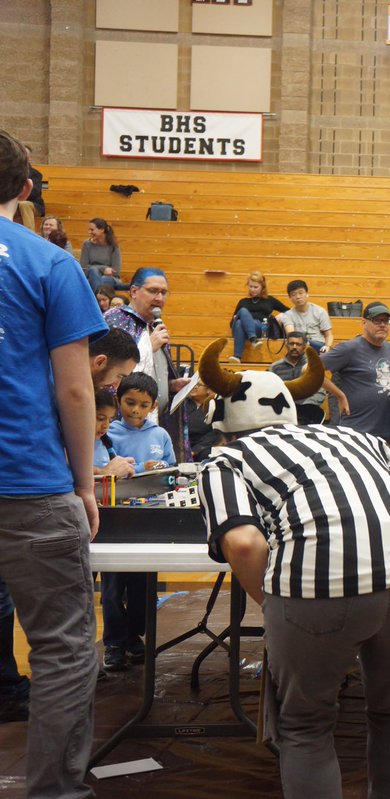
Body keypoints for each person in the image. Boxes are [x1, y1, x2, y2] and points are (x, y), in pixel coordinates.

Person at [195, 340, 390, 799]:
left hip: (320, 592)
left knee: (305, 724)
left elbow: (242, 541)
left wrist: (279, 603)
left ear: (222, 418)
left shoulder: (227, 459)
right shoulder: (353, 436)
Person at [0, 128, 106, 799]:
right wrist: (84, 481)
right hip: (29, 485)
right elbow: (75, 386)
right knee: (65, 648)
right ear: (26, 188)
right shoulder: (46, 262)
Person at [101, 372, 176, 672]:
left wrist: (160, 468)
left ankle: (135, 637)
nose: (135, 410)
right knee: (112, 588)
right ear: (118, 400)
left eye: (143, 405)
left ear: (152, 406)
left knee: (143, 586)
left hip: (150, 519)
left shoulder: (160, 435)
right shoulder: (108, 433)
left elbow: (171, 472)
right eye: (130, 402)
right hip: (115, 519)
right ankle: (114, 642)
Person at [104, 267, 189, 457]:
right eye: (153, 291)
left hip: (153, 424)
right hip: (121, 429)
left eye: (164, 292)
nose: (159, 298)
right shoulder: (116, 319)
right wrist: (147, 348)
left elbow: (151, 374)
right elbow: (106, 373)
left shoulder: (155, 327)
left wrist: (172, 385)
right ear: (134, 291)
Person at [320, 301, 390, 443]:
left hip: (387, 435)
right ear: (364, 323)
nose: (383, 324)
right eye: (377, 320)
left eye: (386, 320)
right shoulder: (349, 348)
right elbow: (309, 369)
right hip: (356, 435)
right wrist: (339, 395)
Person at [229, 270, 288, 363]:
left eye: (255, 287)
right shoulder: (243, 302)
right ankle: (253, 339)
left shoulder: (270, 300)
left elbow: (288, 311)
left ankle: (237, 356)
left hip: (261, 328)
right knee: (241, 318)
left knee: (241, 322)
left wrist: (281, 315)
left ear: (262, 287)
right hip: (241, 330)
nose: (252, 289)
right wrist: (235, 318)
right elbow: (232, 324)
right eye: (250, 286)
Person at [270, 331, 328, 424]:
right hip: (282, 414)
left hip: (306, 415)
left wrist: (304, 408)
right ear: (286, 345)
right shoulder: (275, 367)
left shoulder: (312, 366)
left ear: (304, 346)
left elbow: (320, 390)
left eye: (298, 344)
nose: (294, 347)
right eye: (291, 344)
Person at [279, 279, 334, 353]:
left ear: (307, 293)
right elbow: (291, 335)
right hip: (300, 346)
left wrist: (328, 346)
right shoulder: (288, 315)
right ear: (290, 297)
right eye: (294, 294)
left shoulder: (320, 311)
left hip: (318, 345)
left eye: (301, 293)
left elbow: (329, 335)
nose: (298, 297)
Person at [93, 389, 136, 479]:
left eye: (110, 420)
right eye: (100, 418)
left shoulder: (106, 446)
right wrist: (103, 472)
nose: (106, 425)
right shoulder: (70, 446)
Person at [81, 217, 123, 290]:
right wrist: (104, 269)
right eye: (89, 229)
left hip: (110, 278)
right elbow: (83, 267)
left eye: (92, 230)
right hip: (90, 275)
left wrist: (96, 268)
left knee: (100, 280)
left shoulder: (114, 246)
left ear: (102, 230)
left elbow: (116, 271)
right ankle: (99, 299)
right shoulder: (87, 244)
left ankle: (96, 299)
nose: (89, 232)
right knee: (93, 271)